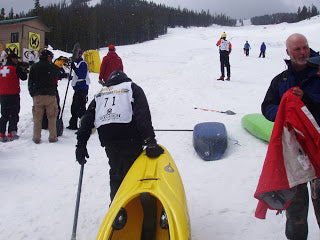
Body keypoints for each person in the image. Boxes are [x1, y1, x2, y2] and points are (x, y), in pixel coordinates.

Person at [261, 33, 320, 240]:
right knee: (296, 213)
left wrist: (307, 101)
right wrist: (285, 112)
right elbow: (266, 107)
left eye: (305, 47)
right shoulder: (280, 81)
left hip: (318, 150)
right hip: (294, 156)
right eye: (297, 49)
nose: (303, 52)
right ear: (288, 52)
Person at [75, 70, 164, 202]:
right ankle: (133, 205)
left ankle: (117, 208)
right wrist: (150, 141)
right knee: (133, 174)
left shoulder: (101, 93)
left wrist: (81, 144)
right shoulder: (131, 88)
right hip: (130, 137)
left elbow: (87, 119)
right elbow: (142, 115)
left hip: (109, 139)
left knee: (116, 172)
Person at [28, 50, 62, 143]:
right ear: (48, 57)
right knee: (52, 117)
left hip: (38, 96)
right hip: (50, 95)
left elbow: (30, 81)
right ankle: (53, 137)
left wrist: (32, 93)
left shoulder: (34, 67)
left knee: (37, 118)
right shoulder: (52, 67)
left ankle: (36, 137)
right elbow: (59, 75)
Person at [0, 53, 28, 142]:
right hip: (13, 94)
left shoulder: (1, 69)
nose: (17, 61)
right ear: (12, 59)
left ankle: (1, 133)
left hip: (3, 94)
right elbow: (24, 77)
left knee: (4, 114)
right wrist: (23, 70)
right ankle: (12, 132)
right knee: (14, 114)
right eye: (16, 59)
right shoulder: (15, 69)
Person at [67, 50, 90, 130]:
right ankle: (75, 123)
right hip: (79, 88)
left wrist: (75, 69)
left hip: (82, 89)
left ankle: (85, 124)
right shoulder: (79, 64)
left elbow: (82, 75)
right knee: (76, 107)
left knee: (80, 107)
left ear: (79, 55)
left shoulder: (83, 63)